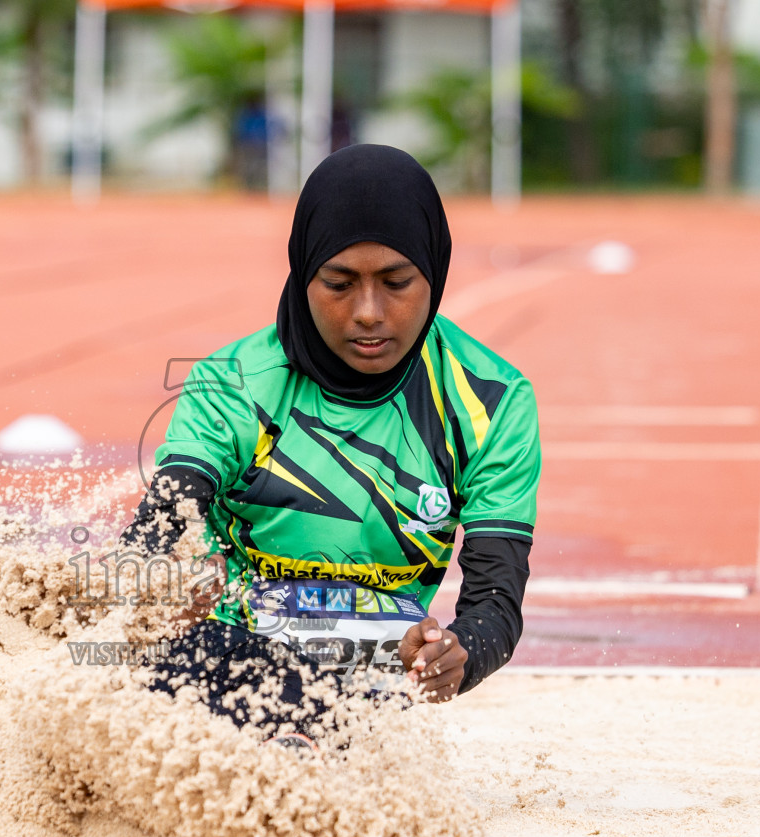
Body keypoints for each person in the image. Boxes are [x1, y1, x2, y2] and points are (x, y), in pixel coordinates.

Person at [120, 144, 540, 742]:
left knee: (335, 735)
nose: (369, 312)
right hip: (221, 658)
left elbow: (496, 597)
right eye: (339, 283)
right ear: (302, 272)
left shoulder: (493, 403)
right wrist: (141, 592)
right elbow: (163, 518)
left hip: (367, 682)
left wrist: (457, 653)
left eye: (397, 282)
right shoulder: (233, 381)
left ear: (436, 273)